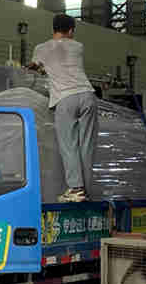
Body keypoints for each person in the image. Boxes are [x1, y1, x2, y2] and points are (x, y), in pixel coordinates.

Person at [29, 13, 98, 203]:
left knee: (69, 145)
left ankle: (76, 189)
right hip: (88, 95)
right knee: (86, 146)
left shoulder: (41, 48)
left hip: (65, 98)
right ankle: (85, 190)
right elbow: (65, 64)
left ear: (53, 29)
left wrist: (37, 67)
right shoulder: (78, 46)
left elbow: (35, 67)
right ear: (71, 30)